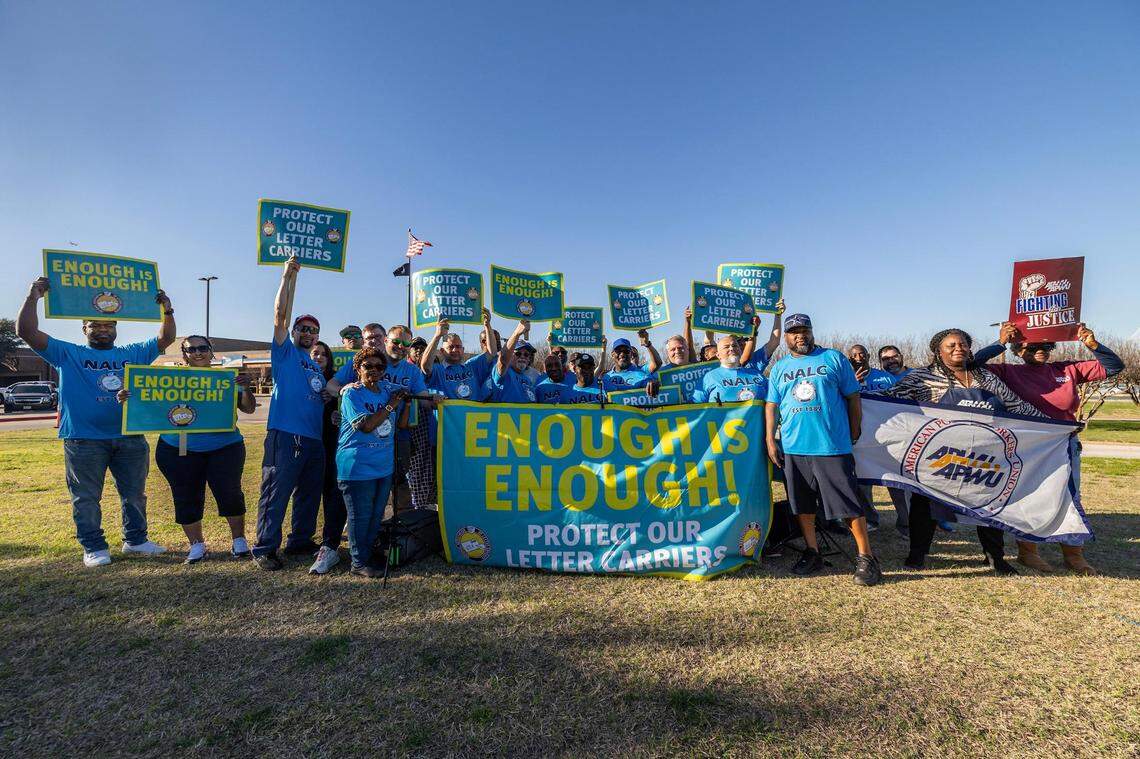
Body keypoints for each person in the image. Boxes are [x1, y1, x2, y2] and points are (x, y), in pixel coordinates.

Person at [18, 276, 176, 567]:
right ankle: (93, 546)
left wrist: (167, 309)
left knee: (134, 494)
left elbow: (165, 339)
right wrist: (33, 296)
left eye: (108, 325)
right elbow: (27, 332)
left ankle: (136, 540)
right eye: (96, 325)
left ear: (115, 328)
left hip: (129, 436)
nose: (102, 330)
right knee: (86, 498)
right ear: (84, 328)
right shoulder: (67, 353)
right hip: (83, 438)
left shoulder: (132, 353)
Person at [873, 328, 1047, 574]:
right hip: (939, 456)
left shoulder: (986, 377)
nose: (958, 348)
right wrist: (850, 395)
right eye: (951, 345)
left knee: (988, 504)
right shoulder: (922, 376)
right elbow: (887, 398)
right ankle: (917, 554)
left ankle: (995, 557)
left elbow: (1016, 405)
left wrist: (1056, 425)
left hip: (983, 456)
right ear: (938, 351)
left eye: (963, 344)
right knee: (926, 505)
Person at [973, 321, 1124, 575]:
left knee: (1070, 496)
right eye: (1032, 345)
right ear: (1017, 349)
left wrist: (1092, 344)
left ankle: (1073, 555)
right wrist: (999, 341)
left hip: (1064, 443)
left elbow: (1114, 367)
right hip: (1026, 445)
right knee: (1030, 495)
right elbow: (972, 366)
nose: (1041, 349)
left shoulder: (1067, 370)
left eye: (1046, 344)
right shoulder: (1007, 372)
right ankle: (1028, 552)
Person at [764, 313, 882, 586]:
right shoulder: (780, 368)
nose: (800, 335)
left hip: (831, 445)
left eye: (805, 330)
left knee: (848, 502)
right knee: (803, 505)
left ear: (812, 332)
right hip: (794, 447)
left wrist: (855, 429)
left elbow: (853, 396)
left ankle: (866, 558)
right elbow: (772, 406)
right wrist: (771, 440)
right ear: (786, 337)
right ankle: (812, 551)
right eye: (794, 332)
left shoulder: (833, 358)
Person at [116, 335, 256, 563]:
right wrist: (128, 397)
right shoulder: (169, 378)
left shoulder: (228, 378)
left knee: (230, 492)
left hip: (225, 446)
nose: (198, 353)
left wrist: (246, 390)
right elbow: (149, 402)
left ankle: (239, 541)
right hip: (177, 449)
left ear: (211, 351)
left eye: (203, 348)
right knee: (185, 496)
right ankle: (196, 545)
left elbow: (249, 409)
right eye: (191, 349)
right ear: (184, 354)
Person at [252, 258, 328, 571]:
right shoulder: (284, 352)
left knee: (309, 493)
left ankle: (300, 540)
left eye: (314, 330)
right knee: (276, 491)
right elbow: (279, 314)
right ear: (294, 330)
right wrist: (287, 275)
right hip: (285, 434)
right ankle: (265, 547)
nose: (309, 334)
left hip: (313, 439)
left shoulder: (315, 365)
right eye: (304, 329)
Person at [328, 324, 434, 514]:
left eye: (405, 343)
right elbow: (332, 385)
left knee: (400, 481)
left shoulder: (412, 371)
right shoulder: (367, 361)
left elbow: (424, 399)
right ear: (386, 341)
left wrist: (437, 399)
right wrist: (342, 391)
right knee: (367, 485)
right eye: (396, 342)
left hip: (398, 433)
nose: (401, 346)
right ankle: (362, 523)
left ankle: (401, 529)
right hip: (365, 435)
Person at [337, 348, 410, 578]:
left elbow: (401, 425)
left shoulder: (386, 391)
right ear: (357, 369)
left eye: (379, 366)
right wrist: (390, 406)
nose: (375, 371)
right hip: (357, 465)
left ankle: (368, 555)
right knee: (360, 516)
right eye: (368, 366)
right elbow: (365, 426)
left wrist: (405, 404)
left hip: (383, 465)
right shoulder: (352, 394)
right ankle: (358, 563)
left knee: (376, 515)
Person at [307, 341, 346, 575]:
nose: (319, 357)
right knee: (312, 490)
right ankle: (302, 539)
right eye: (315, 353)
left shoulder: (335, 381)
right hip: (307, 438)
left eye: (324, 354)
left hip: (332, 442)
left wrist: (333, 406)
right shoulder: (301, 375)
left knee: (334, 490)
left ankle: (329, 542)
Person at [420, 318, 488, 401]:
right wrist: (437, 336)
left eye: (458, 347)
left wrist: (487, 325)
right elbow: (426, 367)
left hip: (474, 414)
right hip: (447, 414)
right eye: (451, 347)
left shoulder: (472, 366)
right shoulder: (438, 370)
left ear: (463, 350)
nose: (455, 350)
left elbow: (492, 353)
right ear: (442, 351)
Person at [692, 335, 766, 402]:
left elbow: (772, 403)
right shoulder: (708, 378)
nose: (731, 348)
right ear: (718, 355)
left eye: (734, 346)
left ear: (740, 351)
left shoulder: (757, 374)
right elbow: (695, 408)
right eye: (726, 347)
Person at [491, 320, 539, 402]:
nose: (522, 357)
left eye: (526, 355)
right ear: (511, 355)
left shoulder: (528, 381)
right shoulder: (504, 373)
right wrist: (517, 333)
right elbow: (503, 359)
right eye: (518, 353)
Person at [739, 298, 786, 372]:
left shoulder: (755, 359)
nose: (742, 343)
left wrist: (778, 315)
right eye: (737, 341)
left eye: (746, 339)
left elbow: (774, 342)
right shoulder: (721, 362)